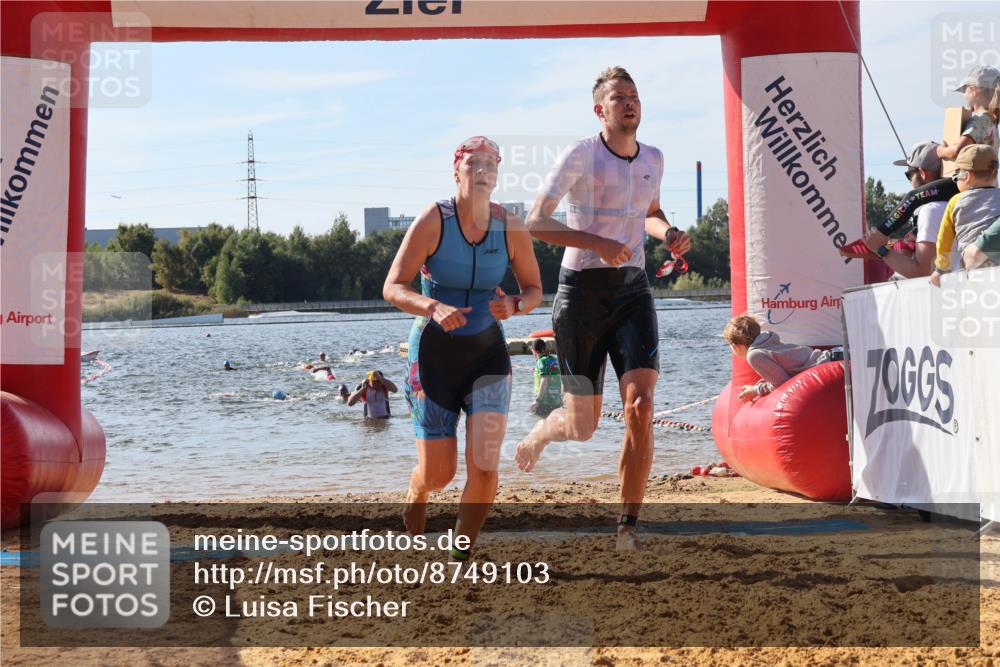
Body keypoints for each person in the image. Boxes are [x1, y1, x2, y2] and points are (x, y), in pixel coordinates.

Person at [513, 66, 690, 550]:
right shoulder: (581, 154)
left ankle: (627, 526)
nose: (630, 103)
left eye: (635, 96)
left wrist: (668, 234)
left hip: (632, 292)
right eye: (619, 98)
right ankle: (543, 433)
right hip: (580, 296)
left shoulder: (653, 157)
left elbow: (650, 214)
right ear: (600, 109)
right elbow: (535, 222)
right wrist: (597, 241)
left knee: (640, 406)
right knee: (582, 426)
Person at [382, 135, 543, 559]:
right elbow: (393, 286)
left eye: (491, 164)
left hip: (487, 352)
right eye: (474, 163)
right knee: (440, 475)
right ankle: (418, 489)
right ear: (457, 171)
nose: (483, 171)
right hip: (434, 353)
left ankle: (460, 552)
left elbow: (534, 290)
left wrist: (516, 304)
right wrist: (432, 306)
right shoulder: (434, 219)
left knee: (486, 463)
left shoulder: (510, 226)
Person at [848, 141, 948, 278]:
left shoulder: (931, 211)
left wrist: (880, 249)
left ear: (922, 173)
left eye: (909, 174)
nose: (909, 180)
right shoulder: (950, 203)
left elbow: (923, 272)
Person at [723, 314, 841, 400]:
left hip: (831, 364)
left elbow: (782, 383)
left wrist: (754, 391)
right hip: (835, 355)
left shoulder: (754, 355)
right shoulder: (766, 341)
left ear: (736, 345)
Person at [931, 144, 1000, 286]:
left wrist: (941, 268)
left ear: (967, 177)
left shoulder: (955, 202)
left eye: (956, 177)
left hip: (975, 270)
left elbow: (944, 240)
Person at [936, 65, 1000, 160]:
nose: (964, 96)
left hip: (970, 175)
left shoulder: (979, 120)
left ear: (974, 90)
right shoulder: (992, 122)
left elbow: (957, 151)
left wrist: (941, 151)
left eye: (965, 90)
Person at [529, 338, 562, 416]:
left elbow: (545, 380)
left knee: (541, 425)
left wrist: (537, 401)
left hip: (544, 403)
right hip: (557, 402)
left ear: (535, 351)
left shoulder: (540, 362)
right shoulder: (554, 359)